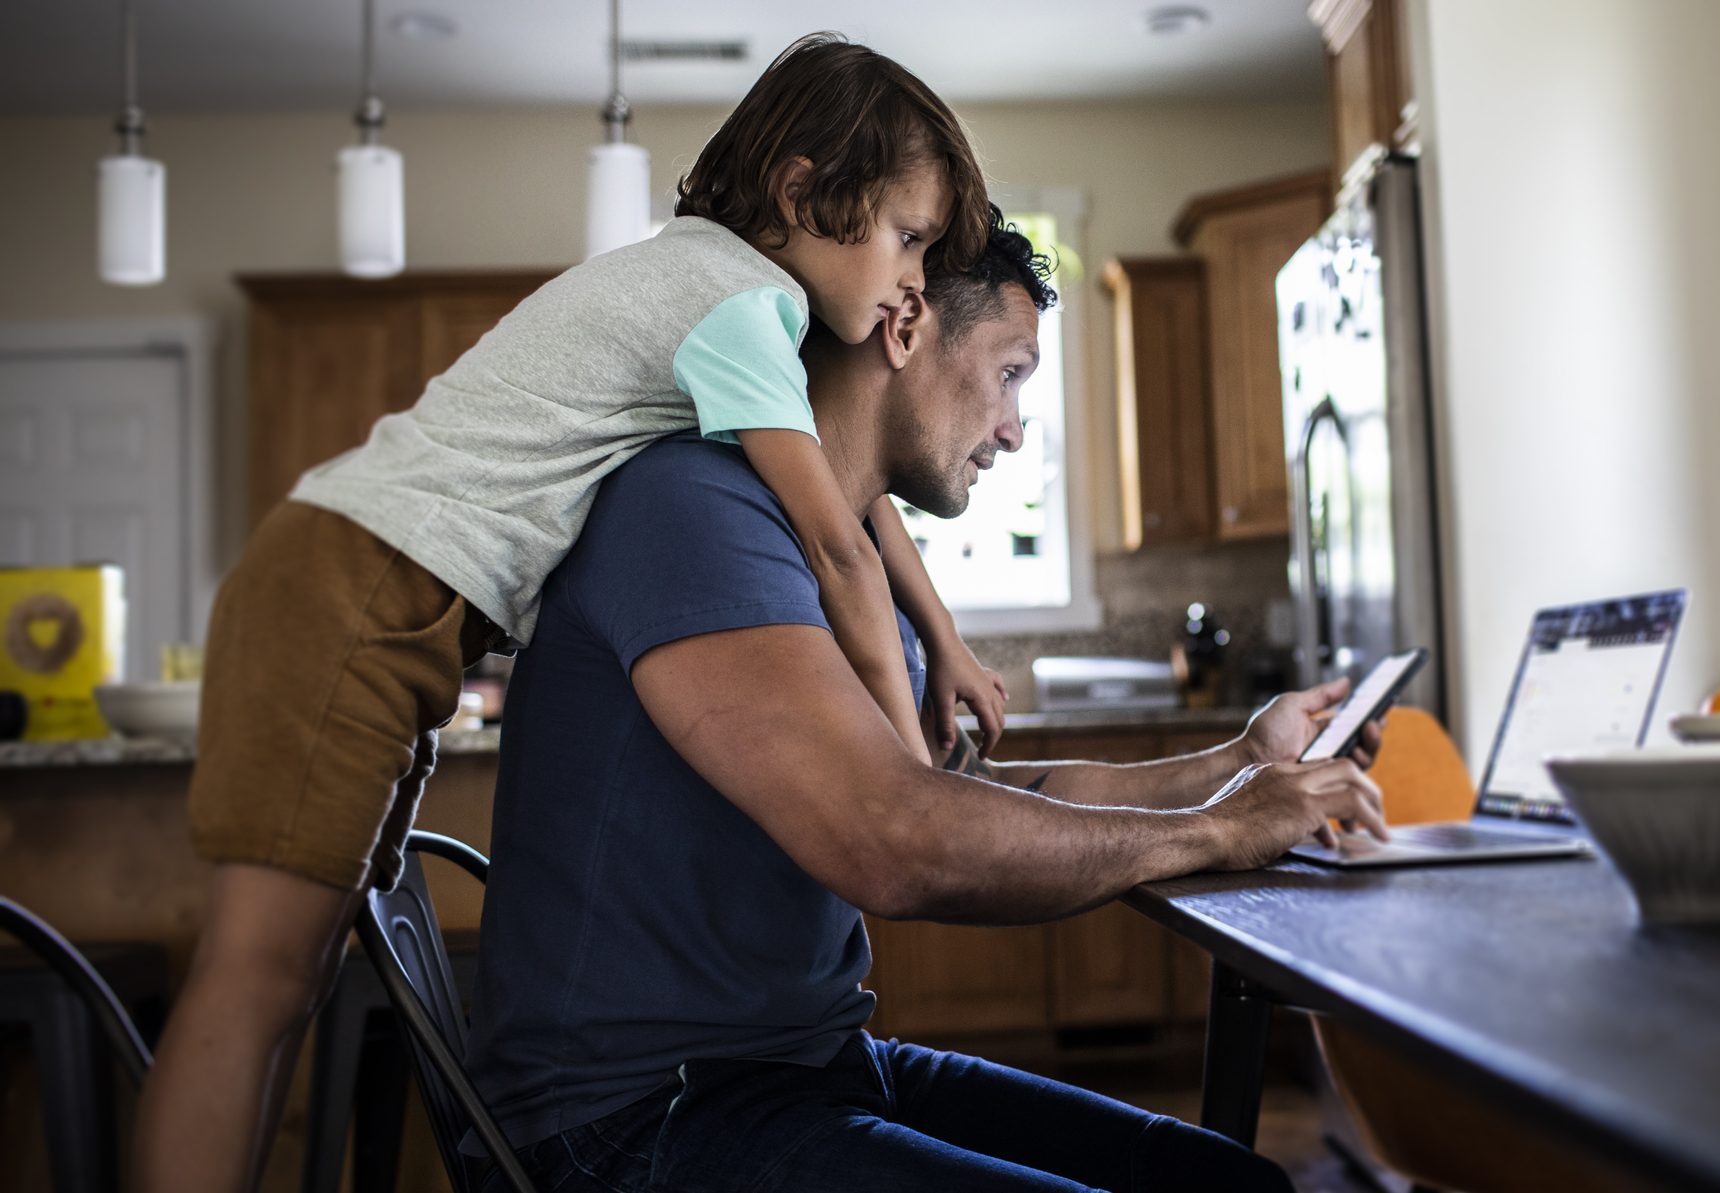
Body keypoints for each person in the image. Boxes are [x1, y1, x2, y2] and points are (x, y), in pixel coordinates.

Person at [136, 34, 1009, 1190]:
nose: (913, 278)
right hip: (350, 585)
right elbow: (835, 544)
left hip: (386, 602)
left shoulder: (732, 303)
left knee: (284, 985)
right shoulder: (734, 302)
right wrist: (910, 776)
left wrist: (942, 639)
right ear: (803, 194)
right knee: (258, 981)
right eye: (907, 237)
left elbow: (854, 505)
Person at [465, 211, 1390, 1192]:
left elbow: (971, 794)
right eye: (1010, 372)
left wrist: (1240, 767)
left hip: (804, 1068)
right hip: (634, 1123)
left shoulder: (844, 553)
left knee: (1230, 1182)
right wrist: (1214, 832)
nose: (1013, 428)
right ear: (904, 329)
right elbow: (898, 840)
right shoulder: (689, 507)